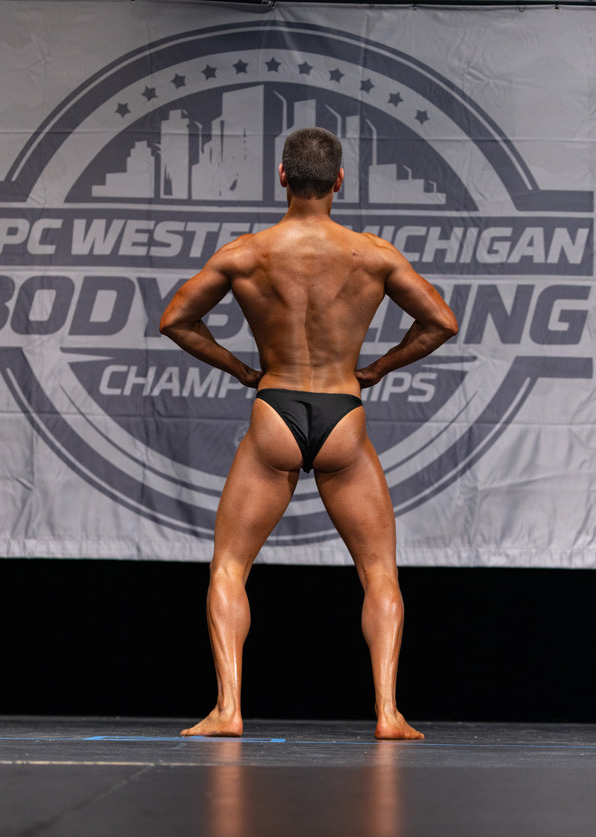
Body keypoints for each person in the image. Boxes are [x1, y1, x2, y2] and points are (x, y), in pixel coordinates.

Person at [160, 127, 458, 740]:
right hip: (343, 412)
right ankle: (387, 713)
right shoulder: (373, 255)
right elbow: (441, 323)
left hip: (275, 410)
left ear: (282, 177)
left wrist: (242, 370)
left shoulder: (246, 253)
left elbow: (176, 320)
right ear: (339, 180)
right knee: (378, 571)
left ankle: (228, 709)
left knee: (229, 567)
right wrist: (377, 368)